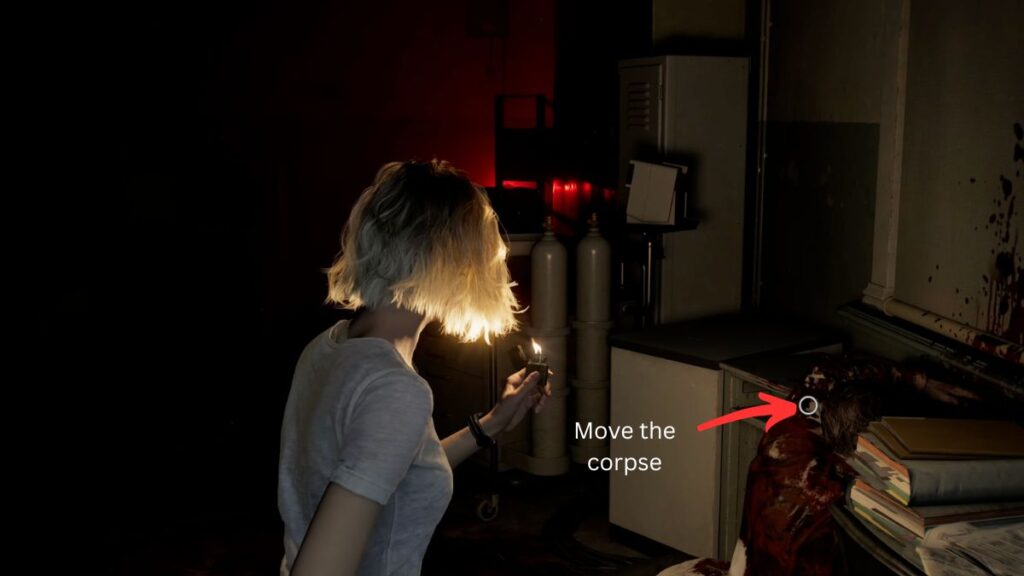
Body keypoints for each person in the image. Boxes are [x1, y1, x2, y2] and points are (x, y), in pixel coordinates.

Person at [277, 160, 551, 576]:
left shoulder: (328, 347)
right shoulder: (395, 388)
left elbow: (390, 469)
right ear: (454, 262)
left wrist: (493, 423)